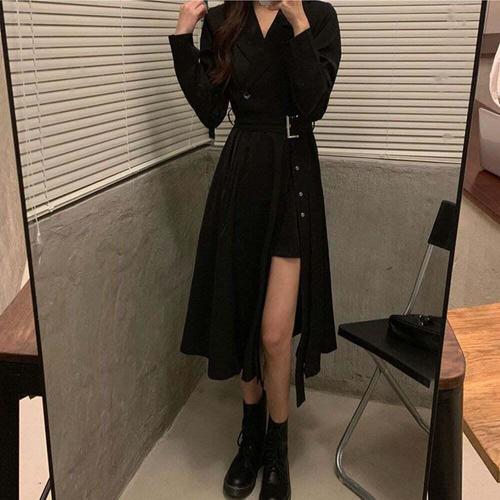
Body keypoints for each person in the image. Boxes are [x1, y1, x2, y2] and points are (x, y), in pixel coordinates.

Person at [168, 1, 341, 498]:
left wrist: (299, 23)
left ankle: (277, 447)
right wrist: (183, 38)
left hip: (293, 179)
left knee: (274, 333)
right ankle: (251, 437)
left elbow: (313, 105)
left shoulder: (318, 16)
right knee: (243, 316)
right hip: (242, 176)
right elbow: (211, 109)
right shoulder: (224, 19)